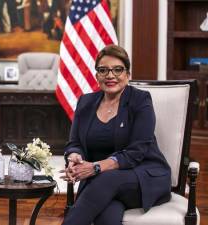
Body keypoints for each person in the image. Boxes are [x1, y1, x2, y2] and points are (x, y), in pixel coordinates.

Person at [61, 45, 171, 225]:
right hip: (104, 184)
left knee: (104, 180)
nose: (110, 76)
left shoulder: (141, 100)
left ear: (128, 74)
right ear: (97, 76)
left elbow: (137, 151)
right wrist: (75, 157)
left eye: (117, 70)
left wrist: (95, 167)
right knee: (107, 214)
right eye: (103, 70)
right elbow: (74, 143)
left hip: (143, 176)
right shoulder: (85, 102)